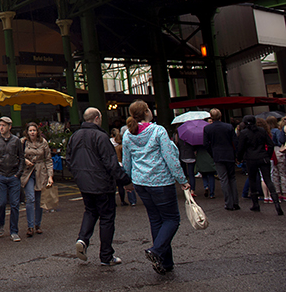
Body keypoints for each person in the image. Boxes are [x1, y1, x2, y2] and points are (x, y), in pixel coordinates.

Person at [122, 101, 189, 274]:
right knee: (172, 219)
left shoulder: (128, 134)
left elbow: (127, 160)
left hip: (140, 182)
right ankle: (156, 251)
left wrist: (127, 181)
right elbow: (170, 157)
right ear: (146, 112)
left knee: (156, 220)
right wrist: (181, 179)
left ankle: (165, 263)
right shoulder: (158, 131)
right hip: (161, 181)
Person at [67, 107, 131, 267]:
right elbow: (111, 163)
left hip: (84, 183)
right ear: (97, 118)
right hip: (102, 183)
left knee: (90, 211)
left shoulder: (75, 136)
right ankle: (106, 255)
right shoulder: (101, 136)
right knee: (107, 218)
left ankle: (82, 239)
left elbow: (69, 159)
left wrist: (78, 175)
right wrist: (125, 181)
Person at [236, 115, 283, 215]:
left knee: (252, 180)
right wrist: (267, 155)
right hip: (263, 157)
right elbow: (270, 144)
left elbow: (240, 148)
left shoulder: (244, 133)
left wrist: (239, 158)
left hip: (251, 159)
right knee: (268, 180)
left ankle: (255, 204)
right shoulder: (261, 131)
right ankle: (276, 203)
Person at [0, 116, 23, 242]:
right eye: (0, 125)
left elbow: (21, 158)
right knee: (1, 203)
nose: (1, 128)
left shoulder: (16, 141)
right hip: (1, 176)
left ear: (10, 127)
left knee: (15, 205)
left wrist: (18, 174)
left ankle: (14, 231)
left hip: (13, 176)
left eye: (4, 125)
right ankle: (1, 223)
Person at [21, 122, 53, 237]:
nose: (32, 132)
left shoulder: (43, 142)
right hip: (29, 172)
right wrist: (25, 161)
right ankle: (30, 226)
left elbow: (48, 159)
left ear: (37, 131)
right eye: (30, 130)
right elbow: (19, 155)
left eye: (34, 130)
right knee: (30, 198)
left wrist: (50, 176)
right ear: (27, 132)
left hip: (40, 172)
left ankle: (37, 224)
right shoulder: (23, 142)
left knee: (39, 200)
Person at [203, 108, 239, 210]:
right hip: (229, 153)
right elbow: (235, 142)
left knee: (223, 179)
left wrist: (212, 153)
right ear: (220, 115)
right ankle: (235, 201)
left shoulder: (208, 129)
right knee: (232, 178)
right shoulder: (228, 127)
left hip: (217, 155)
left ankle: (228, 203)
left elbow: (206, 144)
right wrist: (236, 154)